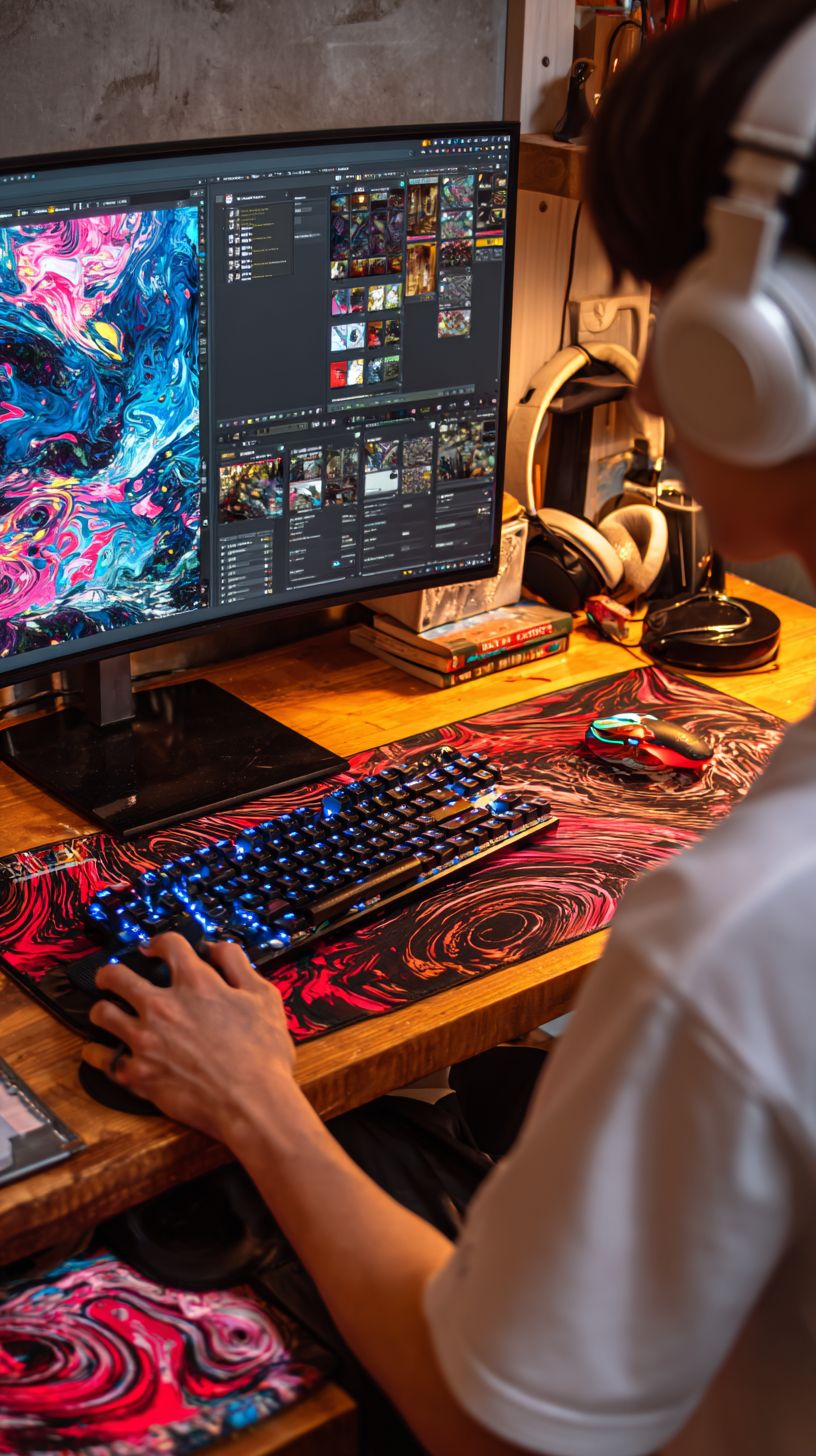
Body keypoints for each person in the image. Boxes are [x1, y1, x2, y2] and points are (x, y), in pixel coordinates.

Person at [83, 4, 816, 1452]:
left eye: (669, 300)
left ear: (761, 343)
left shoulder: (739, 942)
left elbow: (493, 1428)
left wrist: (260, 1101)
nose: (657, 380)